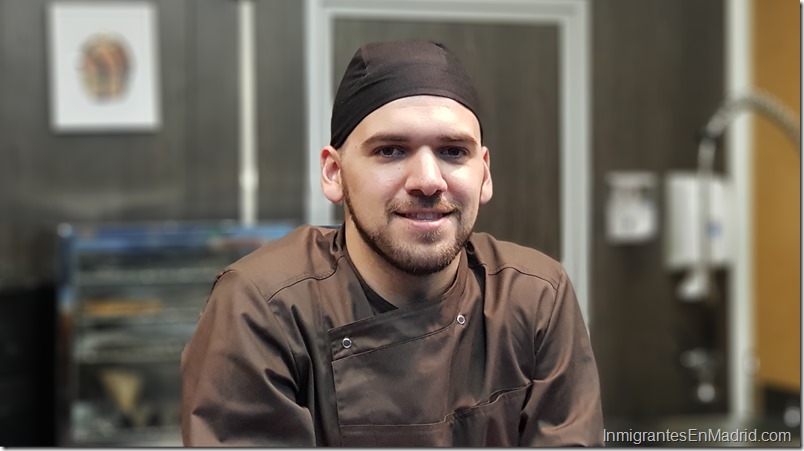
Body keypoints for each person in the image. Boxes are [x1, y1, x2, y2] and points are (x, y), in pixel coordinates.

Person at [180, 40, 604, 446]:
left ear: (484, 173)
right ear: (334, 172)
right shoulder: (264, 307)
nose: (427, 181)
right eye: (391, 150)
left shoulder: (535, 296)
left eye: (453, 151)